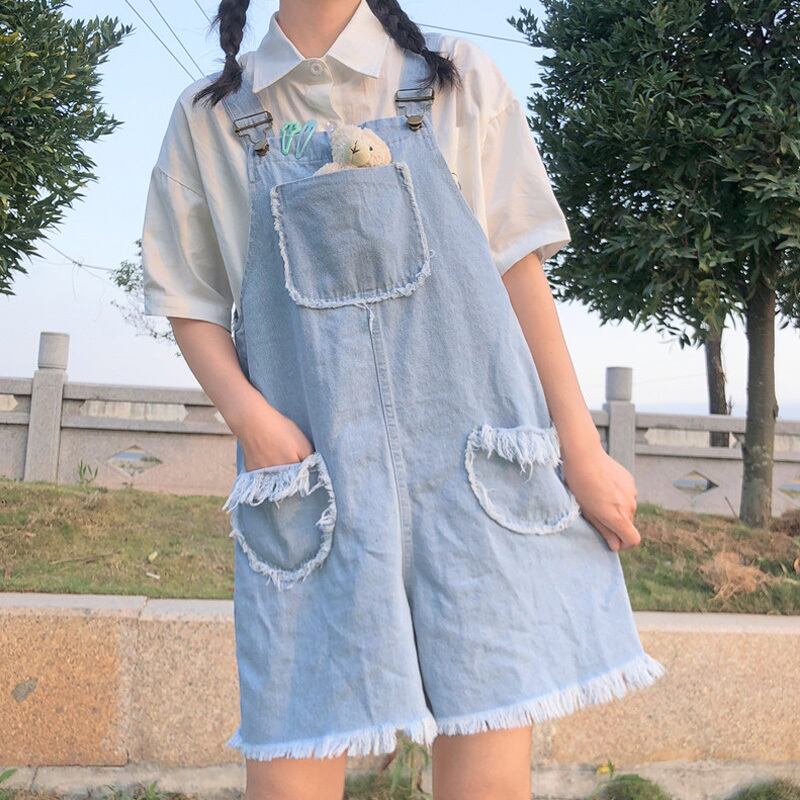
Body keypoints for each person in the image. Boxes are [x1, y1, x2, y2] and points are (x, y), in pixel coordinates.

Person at [140, 1, 666, 797]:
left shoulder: (453, 78)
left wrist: (582, 449)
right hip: (312, 473)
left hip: (472, 468)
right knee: (291, 755)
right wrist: (252, 421)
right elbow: (189, 295)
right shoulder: (210, 115)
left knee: (487, 767)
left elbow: (518, 267)